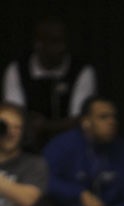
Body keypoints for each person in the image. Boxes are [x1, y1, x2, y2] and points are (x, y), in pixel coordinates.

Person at [1, 17, 97, 152]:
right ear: (39, 44)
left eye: (63, 42)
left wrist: (46, 126)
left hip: (70, 148)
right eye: (55, 42)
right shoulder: (18, 69)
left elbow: (80, 120)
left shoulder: (81, 70)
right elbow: (14, 114)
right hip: (26, 147)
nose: (61, 48)